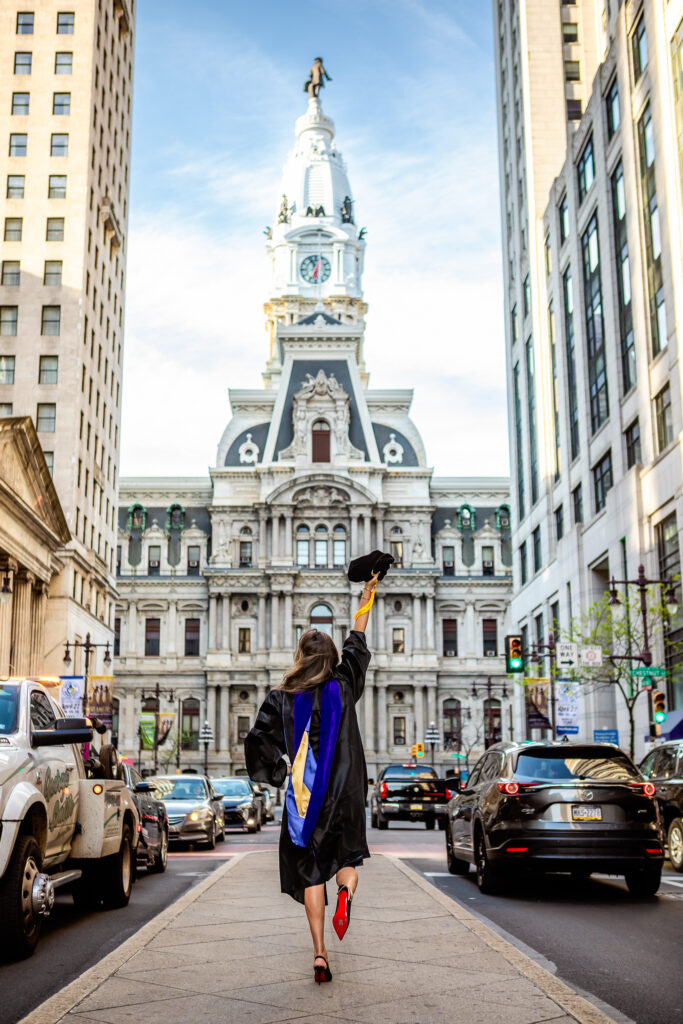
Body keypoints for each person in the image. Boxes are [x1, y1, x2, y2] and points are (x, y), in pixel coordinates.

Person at [245, 575, 377, 985]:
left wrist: (281, 770)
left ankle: (320, 953)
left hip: (307, 802)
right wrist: (366, 596)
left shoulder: (282, 696)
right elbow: (358, 638)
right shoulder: (344, 685)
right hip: (349, 794)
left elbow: (257, 744)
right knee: (349, 861)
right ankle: (347, 896)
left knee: (312, 873)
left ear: (300, 656)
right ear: (333, 657)